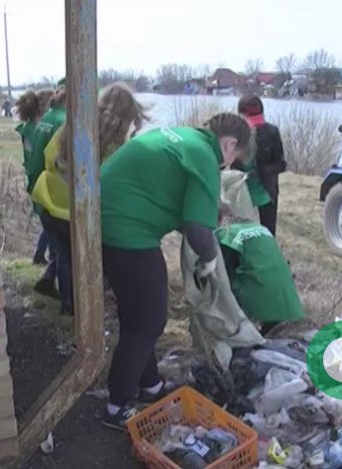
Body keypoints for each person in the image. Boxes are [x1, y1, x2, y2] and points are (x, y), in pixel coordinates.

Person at [100, 113, 253, 430]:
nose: (227, 167)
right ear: (230, 144)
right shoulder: (204, 156)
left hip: (103, 217)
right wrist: (210, 258)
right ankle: (117, 405)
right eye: (232, 159)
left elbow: (181, 205)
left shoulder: (183, 138)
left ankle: (151, 386)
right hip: (126, 230)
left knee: (136, 318)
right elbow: (197, 229)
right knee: (148, 321)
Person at [31, 82, 148, 317]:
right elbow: (113, 184)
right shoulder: (117, 145)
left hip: (51, 205)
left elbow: (48, 156)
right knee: (88, 263)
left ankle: (69, 307)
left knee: (65, 257)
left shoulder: (72, 123)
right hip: (84, 214)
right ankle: (87, 310)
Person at [217, 212, 304, 337]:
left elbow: (221, 272)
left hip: (258, 295)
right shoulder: (264, 230)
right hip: (288, 298)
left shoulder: (226, 234)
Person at [14, 90, 58, 298]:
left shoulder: (28, 128)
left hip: (33, 180)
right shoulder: (38, 129)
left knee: (47, 222)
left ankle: (40, 255)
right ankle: (43, 259)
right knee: (52, 223)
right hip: (42, 181)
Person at [235, 95, 286, 237]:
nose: (255, 127)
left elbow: (281, 164)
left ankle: (269, 256)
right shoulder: (234, 136)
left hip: (266, 192)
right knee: (240, 233)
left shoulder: (271, 132)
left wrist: (261, 171)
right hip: (242, 192)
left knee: (268, 233)